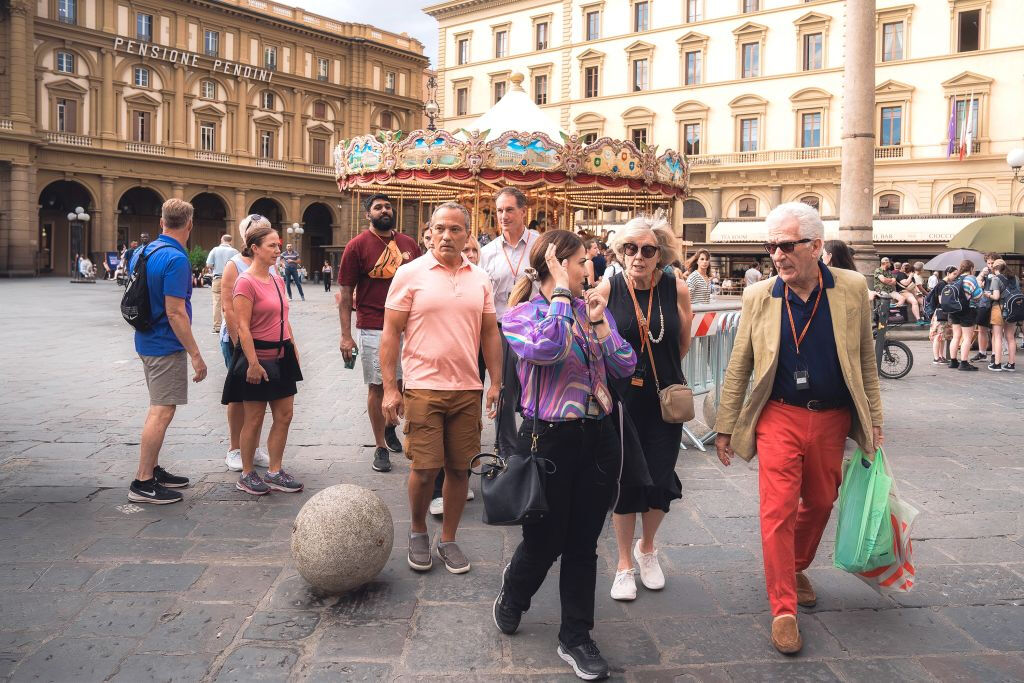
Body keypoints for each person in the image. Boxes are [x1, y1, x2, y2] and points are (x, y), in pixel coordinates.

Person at [714, 202, 883, 655]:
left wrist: (875, 422)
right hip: (779, 416)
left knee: (823, 500)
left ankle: (793, 565)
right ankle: (783, 608)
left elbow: (866, 360)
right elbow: (740, 365)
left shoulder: (851, 288)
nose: (778, 255)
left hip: (832, 417)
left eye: (787, 246)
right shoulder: (760, 296)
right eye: (771, 247)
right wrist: (725, 426)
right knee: (777, 510)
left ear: (816, 246)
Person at [492, 230, 638, 681]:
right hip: (549, 442)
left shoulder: (587, 309)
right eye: (578, 263)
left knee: (582, 544)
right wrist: (558, 295)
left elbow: (626, 366)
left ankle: (575, 636)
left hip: (597, 440)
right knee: (544, 542)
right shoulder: (522, 315)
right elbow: (547, 349)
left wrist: (600, 324)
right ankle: (514, 594)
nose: (588, 269)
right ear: (555, 267)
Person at [380, 202, 502, 575]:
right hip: (423, 387)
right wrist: (390, 388)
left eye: (455, 229)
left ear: (468, 235)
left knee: (460, 469)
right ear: (428, 232)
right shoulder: (409, 273)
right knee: (424, 467)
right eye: (440, 229)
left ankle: (448, 538)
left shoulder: (479, 277)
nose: (447, 236)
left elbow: (489, 333)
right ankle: (418, 531)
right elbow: (391, 333)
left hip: (467, 388)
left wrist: (495, 381)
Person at [595, 216, 693, 602]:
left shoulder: (677, 288)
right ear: (619, 252)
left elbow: (682, 344)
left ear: (660, 255)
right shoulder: (608, 287)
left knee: (660, 477)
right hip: (622, 401)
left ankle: (647, 548)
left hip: (664, 398)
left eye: (647, 250)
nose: (638, 256)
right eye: (630, 248)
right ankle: (623, 563)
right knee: (625, 481)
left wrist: (659, 376)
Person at [127, 199, 207, 504]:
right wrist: (196, 355)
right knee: (162, 410)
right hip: (164, 344)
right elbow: (176, 313)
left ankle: (153, 469)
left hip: (145, 339)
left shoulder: (142, 251)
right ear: (189, 225)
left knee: (158, 407)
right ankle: (143, 482)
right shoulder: (177, 259)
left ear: (162, 223)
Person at [339, 193, 421, 472]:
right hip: (373, 324)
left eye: (387, 206)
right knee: (378, 386)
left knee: (404, 384)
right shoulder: (357, 246)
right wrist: (346, 335)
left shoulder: (409, 244)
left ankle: (391, 427)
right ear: (368, 215)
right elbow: (346, 292)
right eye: (378, 207)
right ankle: (380, 446)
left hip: (410, 325)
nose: (384, 210)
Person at [222, 224, 304, 495]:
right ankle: (247, 473)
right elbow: (242, 327)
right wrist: (253, 363)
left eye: (278, 245)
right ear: (255, 249)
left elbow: (285, 319)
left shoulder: (278, 280)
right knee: (254, 418)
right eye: (272, 246)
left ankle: (275, 471)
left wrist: (294, 350)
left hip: (282, 356)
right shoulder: (245, 281)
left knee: (285, 415)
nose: (278, 250)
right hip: (257, 357)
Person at [428, 233, 484, 516]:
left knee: (469, 428)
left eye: (476, 250)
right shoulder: (429, 277)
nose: (471, 254)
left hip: (472, 366)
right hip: (435, 374)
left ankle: (461, 475)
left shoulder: (479, 279)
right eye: (469, 250)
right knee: (435, 439)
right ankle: (438, 489)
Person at [220, 215, 272, 472]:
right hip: (238, 339)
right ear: (247, 238)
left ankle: (252, 447)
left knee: (258, 396)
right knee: (239, 396)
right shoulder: (235, 264)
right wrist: (239, 344)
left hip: (266, 340)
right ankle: (234, 448)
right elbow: (228, 307)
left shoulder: (272, 262)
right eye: (255, 230)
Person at [480, 187, 542, 319]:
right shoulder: (486, 252)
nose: (504, 216)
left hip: (534, 328)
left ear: (523, 211)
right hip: (499, 327)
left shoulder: (540, 246)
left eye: (509, 210)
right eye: (500, 211)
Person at [948, 260, 984, 371]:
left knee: (956, 336)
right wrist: (981, 287)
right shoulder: (970, 278)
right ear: (971, 268)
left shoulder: (956, 278)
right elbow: (978, 296)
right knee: (967, 338)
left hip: (954, 310)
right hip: (967, 310)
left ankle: (953, 361)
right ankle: (964, 363)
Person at [985, 259, 1017, 372]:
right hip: (1013, 309)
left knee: (998, 336)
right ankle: (1011, 364)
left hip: (999, 308)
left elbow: (996, 296)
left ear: (995, 268)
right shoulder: (1014, 278)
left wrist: (988, 295)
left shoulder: (996, 279)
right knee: (1011, 337)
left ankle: (997, 364)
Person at [206, 234, 239, 334]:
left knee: (217, 302)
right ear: (231, 241)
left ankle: (217, 327)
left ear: (221, 240)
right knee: (231, 303)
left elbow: (209, 264)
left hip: (218, 278)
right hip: (231, 280)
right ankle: (231, 326)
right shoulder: (235, 252)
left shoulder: (215, 250)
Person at [972, 252, 1000, 364]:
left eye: (992, 263)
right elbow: (977, 283)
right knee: (982, 329)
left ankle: (994, 354)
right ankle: (982, 353)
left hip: (996, 303)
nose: (990, 265)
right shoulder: (985, 272)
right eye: (988, 263)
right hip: (984, 303)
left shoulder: (1001, 272)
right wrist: (982, 274)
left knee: (995, 331)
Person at [928, 267, 958, 365]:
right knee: (938, 335)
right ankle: (937, 357)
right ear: (948, 273)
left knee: (942, 336)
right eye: (954, 274)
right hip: (941, 312)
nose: (955, 276)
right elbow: (941, 300)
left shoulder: (944, 284)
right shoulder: (942, 285)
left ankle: (941, 356)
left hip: (941, 312)